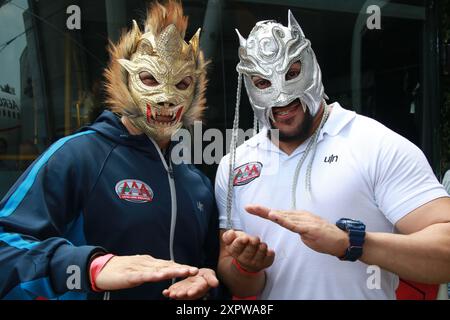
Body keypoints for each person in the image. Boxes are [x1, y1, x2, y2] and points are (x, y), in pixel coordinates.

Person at [215, 11, 450, 299]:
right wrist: (247, 267)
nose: (282, 96)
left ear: (312, 67)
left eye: (292, 74)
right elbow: (240, 281)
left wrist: (350, 243)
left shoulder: (374, 144)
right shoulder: (234, 165)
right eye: (263, 82)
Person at [0, 0, 219, 300]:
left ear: (195, 89)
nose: (167, 97)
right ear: (126, 78)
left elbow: (206, 271)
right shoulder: (77, 156)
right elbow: (4, 247)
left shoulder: (197, 185)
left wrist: (207, 288)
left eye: (182, 83)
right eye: (150, 79)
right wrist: (89, 267)